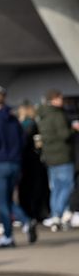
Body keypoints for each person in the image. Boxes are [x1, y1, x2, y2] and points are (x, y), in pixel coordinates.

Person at [0, 88, 36, 246]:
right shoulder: (13, 118)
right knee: (7, 199)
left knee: (2, 202)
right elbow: (22, 140)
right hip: (15, 162)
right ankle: (26, 221)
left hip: (0, 163)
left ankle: (8, 235)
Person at [35, 89, 77, 230]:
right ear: (55, 99)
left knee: (56, 188)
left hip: (50, 157)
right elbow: (64, 134)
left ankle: (57, 215)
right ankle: (59, 214)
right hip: (62, 155)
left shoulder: (42, 115)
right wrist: (74, 129)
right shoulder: (58, 115)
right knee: (67, 185)